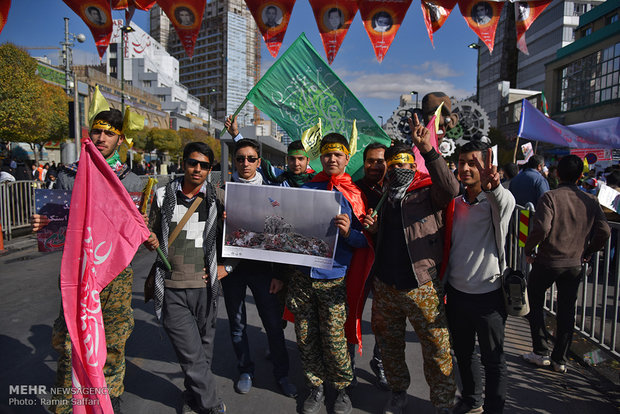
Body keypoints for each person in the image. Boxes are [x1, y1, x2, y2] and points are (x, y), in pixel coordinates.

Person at [31, 109, 152, 414]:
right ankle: (67, 401)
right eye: (97, 132)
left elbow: (135, 234)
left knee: (113, 339)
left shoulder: (133, 179)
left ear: (120, 139)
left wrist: (145, 231)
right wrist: (44, 224)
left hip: (115, 273)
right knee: (70, 338)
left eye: (109, 133)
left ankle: (108, 398)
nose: (101, 138)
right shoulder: (68, 175)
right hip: (78, 271)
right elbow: (58, 228)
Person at [371, 115, 459, 414]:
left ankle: (443, 402)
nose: (399, 169)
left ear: (414, 166)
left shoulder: (427, 193)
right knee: (389, 347)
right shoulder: (382, 196)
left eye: (405, 164)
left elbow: (451, 188)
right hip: (385, 286)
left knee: (437, 349)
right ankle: (398, 391)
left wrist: (430, 151)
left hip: (422, 286)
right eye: (393, 165)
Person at [287, 133, 373, 414]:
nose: (332, 159)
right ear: (319, 157)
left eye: (338, 154)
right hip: (302, 276)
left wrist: (349, 233)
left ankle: (342, 389)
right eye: (327, 154)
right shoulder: (305, 189)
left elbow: (366, 241)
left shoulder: (355, 194)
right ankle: (315, 387)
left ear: (348, 158)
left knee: (335, 339)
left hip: (333, 278)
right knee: (305, 335)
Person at [148, 141, 227, 414]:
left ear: (210, 169)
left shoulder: (218, 198)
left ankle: (192, 397)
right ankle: (212, 406)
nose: (198, 169)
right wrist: (151, 239)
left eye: (204, 165)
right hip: (172, 287)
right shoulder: (161, 195)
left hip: (206, 289)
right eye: (193, 163)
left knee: (203, 355)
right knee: (192, 356)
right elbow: (149, 229)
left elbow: (240, 237)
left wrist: (228, 268)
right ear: (183, 163)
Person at [220, 138, 297, 398]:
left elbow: (283, 231)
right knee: (237, 323)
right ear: (234, 162)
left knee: (273, 325)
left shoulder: (273, 190)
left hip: (264, 269)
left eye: (250, 158)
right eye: (240, 158)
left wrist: (279, 274)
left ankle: (282, 374)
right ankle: (245, 370)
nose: (245, 163)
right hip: (232, 268)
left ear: (258, 162)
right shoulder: (222, 189)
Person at [444, 141, 515, 414]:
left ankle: (495, 408)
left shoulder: (496, 203)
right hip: (457, 296)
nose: (465, 168)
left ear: (487, 166)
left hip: (490, 298)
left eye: (473, 163)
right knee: (463, 355)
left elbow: (504, 201)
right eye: (462, 162)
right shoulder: (454, 203)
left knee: (493, 360)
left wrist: (494, 187)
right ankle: (472, 401)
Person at [522, 155, 610, 373]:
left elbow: (542, 228)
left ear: (557, 174)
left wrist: (529, 249)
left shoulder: (550, 197)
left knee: (534, 301)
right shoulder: (590, 200)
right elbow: (605, 231)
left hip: (547, 261)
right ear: (581, 176)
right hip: (574, 263)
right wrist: (588, 251)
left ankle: (540, 350)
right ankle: (559, 358)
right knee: (567, 310)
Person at [350, 141, 389, 390]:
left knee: (384, 321)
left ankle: (380, 361)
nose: (375, 165)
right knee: (352, 314)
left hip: (385, 264)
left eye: (380, 161)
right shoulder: (353, 189)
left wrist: (379, 230)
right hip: (359, 262)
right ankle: (347, 364)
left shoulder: (395, 190)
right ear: (363, 163)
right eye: (370, 161)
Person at [225, 115, 315, 187]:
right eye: (292, 159)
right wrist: (236, 134)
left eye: (300, 159)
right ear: (287, 159)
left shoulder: (318, 182)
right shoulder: (277, 176)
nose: (296, 163)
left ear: (308, 160)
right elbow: (253, 158)